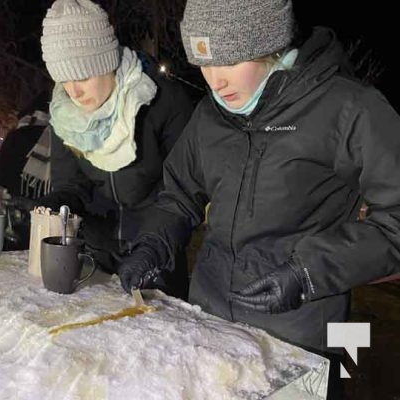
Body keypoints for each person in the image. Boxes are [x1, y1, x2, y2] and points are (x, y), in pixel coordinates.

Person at [117, 0, 400, 398]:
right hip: (211, 322)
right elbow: (177, 195)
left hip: (302, 334)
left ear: (269, 46)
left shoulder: (349, 109)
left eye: (229, 61)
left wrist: (308, 272)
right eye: (203, 63)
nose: (214, 80)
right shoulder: (210, 115)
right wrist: (153, 243)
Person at [32, 0, 195, 299]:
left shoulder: (165, 102)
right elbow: (73, 186)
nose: (74, 92)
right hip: (95, 261)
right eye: (64, 79)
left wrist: (153, 249)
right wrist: (56, 202)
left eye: (83, 76)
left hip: (156, 258)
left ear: (107, 62)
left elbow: (182, 193)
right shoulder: (66, 114)